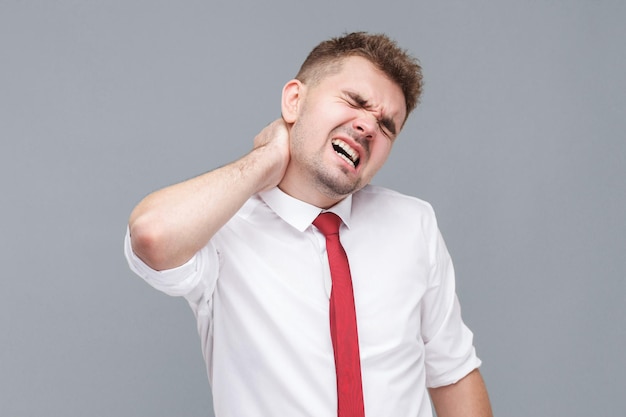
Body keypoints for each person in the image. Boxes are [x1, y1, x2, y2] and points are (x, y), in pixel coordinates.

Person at [125, 32, 492, 417]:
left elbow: (453, 373)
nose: (368, 126)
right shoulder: (224, 229)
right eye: (355, 101)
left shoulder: (413, 224)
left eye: (386, 126)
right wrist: (268, 157)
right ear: (294, 101)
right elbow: (152, 234)